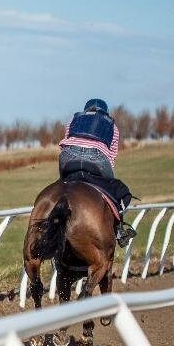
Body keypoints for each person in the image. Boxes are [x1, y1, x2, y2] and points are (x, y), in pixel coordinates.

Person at [58, 98, 137, 247]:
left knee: (61, 187)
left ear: (86, 110)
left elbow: (65, 143)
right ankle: (119, 231)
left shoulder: (74, 118)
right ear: (105, 112)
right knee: (115, 191)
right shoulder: (112, 125)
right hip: (97, 158)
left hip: (68, 156)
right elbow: (111, 157)